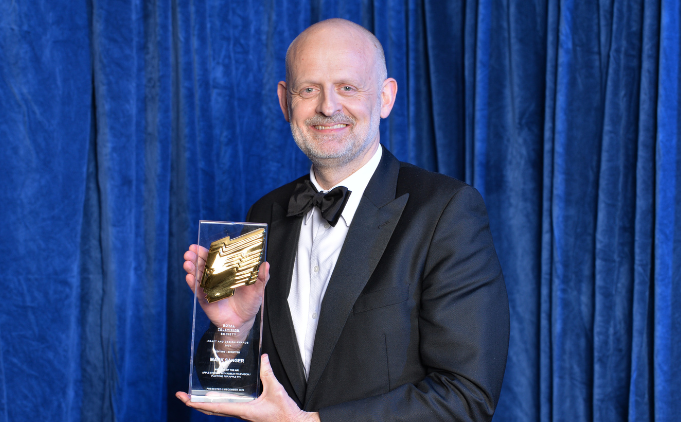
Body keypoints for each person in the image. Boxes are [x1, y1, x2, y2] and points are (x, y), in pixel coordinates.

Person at [177, 18, 509, 421]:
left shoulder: (447, 211)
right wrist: (235, 330)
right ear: (285, 101)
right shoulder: (263, 213)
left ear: (385, 98)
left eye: (348, 87)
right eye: (308, 89)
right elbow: (226, 391)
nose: (328, 107)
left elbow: (465, 397)